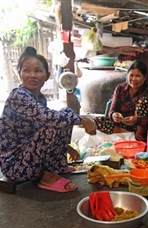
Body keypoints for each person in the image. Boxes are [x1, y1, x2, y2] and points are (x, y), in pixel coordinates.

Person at [0, 46, 97, 193]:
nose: (32, 75)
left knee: (64, 114)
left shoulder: (41, 99)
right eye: (26, 70)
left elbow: (41, 129)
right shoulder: (18, 95)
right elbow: (48, 119)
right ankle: (46, 177)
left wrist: (65, 146)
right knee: (57, 120)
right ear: (19, 74)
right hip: (15, 166)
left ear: (47, 75)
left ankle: (55, 167)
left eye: (38, 71)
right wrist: (82, 119)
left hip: (30, 157)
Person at [93, 60, 148, 142]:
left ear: (145, 77)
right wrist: (114, 115)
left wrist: (137, 119)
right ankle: (128, 136)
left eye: (138, 76)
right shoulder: (120, 89)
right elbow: (112, 110)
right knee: (97, 121)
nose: (134, 79)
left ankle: (137, 138)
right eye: (131, 75)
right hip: (122, 126)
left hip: (141, 128)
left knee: (144, 101)